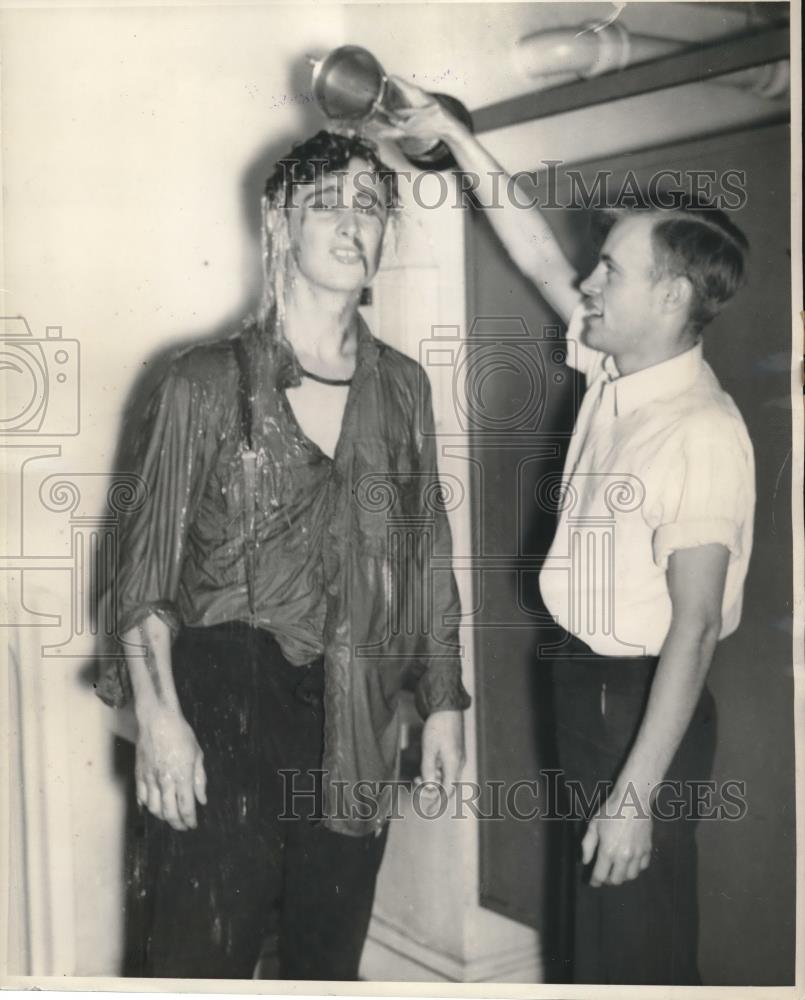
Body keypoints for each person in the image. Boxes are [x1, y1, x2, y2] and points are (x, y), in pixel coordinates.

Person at [375, 83, 755, 985]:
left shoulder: (700, 428)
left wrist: (635, 796)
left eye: (611, 270)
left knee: (637, 946)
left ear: (668, 296)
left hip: (638, 708)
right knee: (592, 938)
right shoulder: (616, 367)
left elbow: (694, 629)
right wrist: (457, 142)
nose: (587, 282)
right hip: (583, 687)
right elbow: (542, 258)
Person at [96, 130, 470, 981]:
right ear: (278, 225)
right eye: (326, 205)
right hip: (223, 707)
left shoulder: (403, 388)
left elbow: (425, 557)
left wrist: (443, 702)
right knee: (198, 962)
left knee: (326, 967)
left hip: (355, 713)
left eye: (369, 207)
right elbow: (140, 580)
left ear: (388, 237)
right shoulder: (201, 382)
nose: (351, 225)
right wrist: (158, 721)